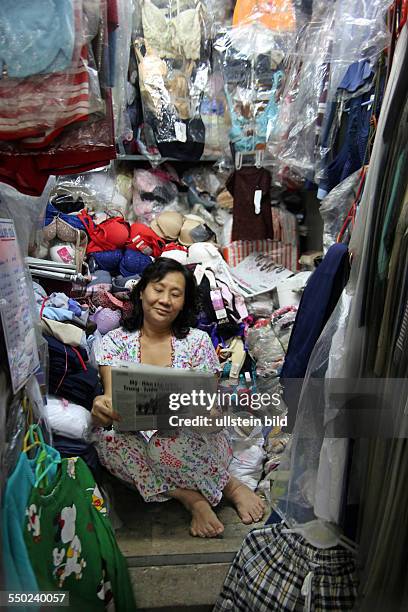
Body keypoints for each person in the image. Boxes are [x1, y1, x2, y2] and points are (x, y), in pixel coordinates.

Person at [91, 258, 265, 538]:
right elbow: (111, 398)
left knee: (165, 445)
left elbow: (210, 407)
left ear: (184, 303)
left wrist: (210, 414)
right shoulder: (114, 342)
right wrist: (101, 407)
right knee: (105, 441)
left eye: (176, 294)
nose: (165, 300)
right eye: (158, 289)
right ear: (141, 291)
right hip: (139, 436)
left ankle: (221, 489)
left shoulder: (197, 341)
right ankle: (194, 496)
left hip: (193, 439)